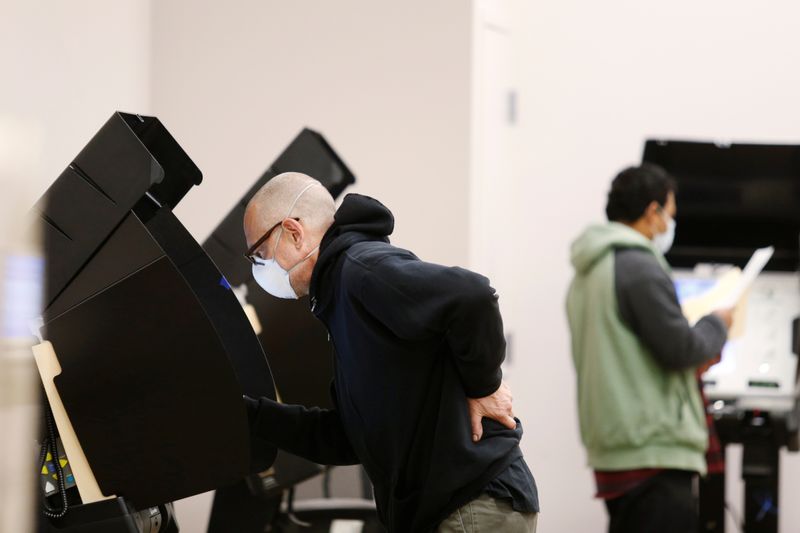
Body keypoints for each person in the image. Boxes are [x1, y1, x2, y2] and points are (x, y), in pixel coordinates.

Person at [241, 172, 539, 533]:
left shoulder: (360, 269)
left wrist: (484, 385)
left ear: (293, 231)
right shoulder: (339, 297)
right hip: (451, 507)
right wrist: (249, 415)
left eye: (260, 253)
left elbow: (472, 297)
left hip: (469, 502)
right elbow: (348, 439)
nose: (259, 267)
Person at [565, 164, 733, 533]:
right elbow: (680, 349)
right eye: (670, 215)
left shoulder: (588, 271)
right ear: (652, 212)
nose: (670, 225)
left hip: (616, 445)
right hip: (651, 448)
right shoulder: (639, 266)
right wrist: (718, 323)